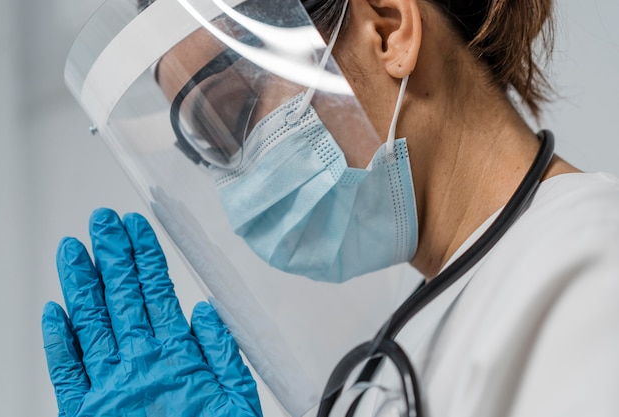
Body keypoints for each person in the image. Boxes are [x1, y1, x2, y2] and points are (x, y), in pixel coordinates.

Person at [42, 0, 619, 416]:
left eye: (233, 110)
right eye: (212, 146)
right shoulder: (391, 360)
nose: (238, 178)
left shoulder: (590, 266)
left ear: (388, 30)